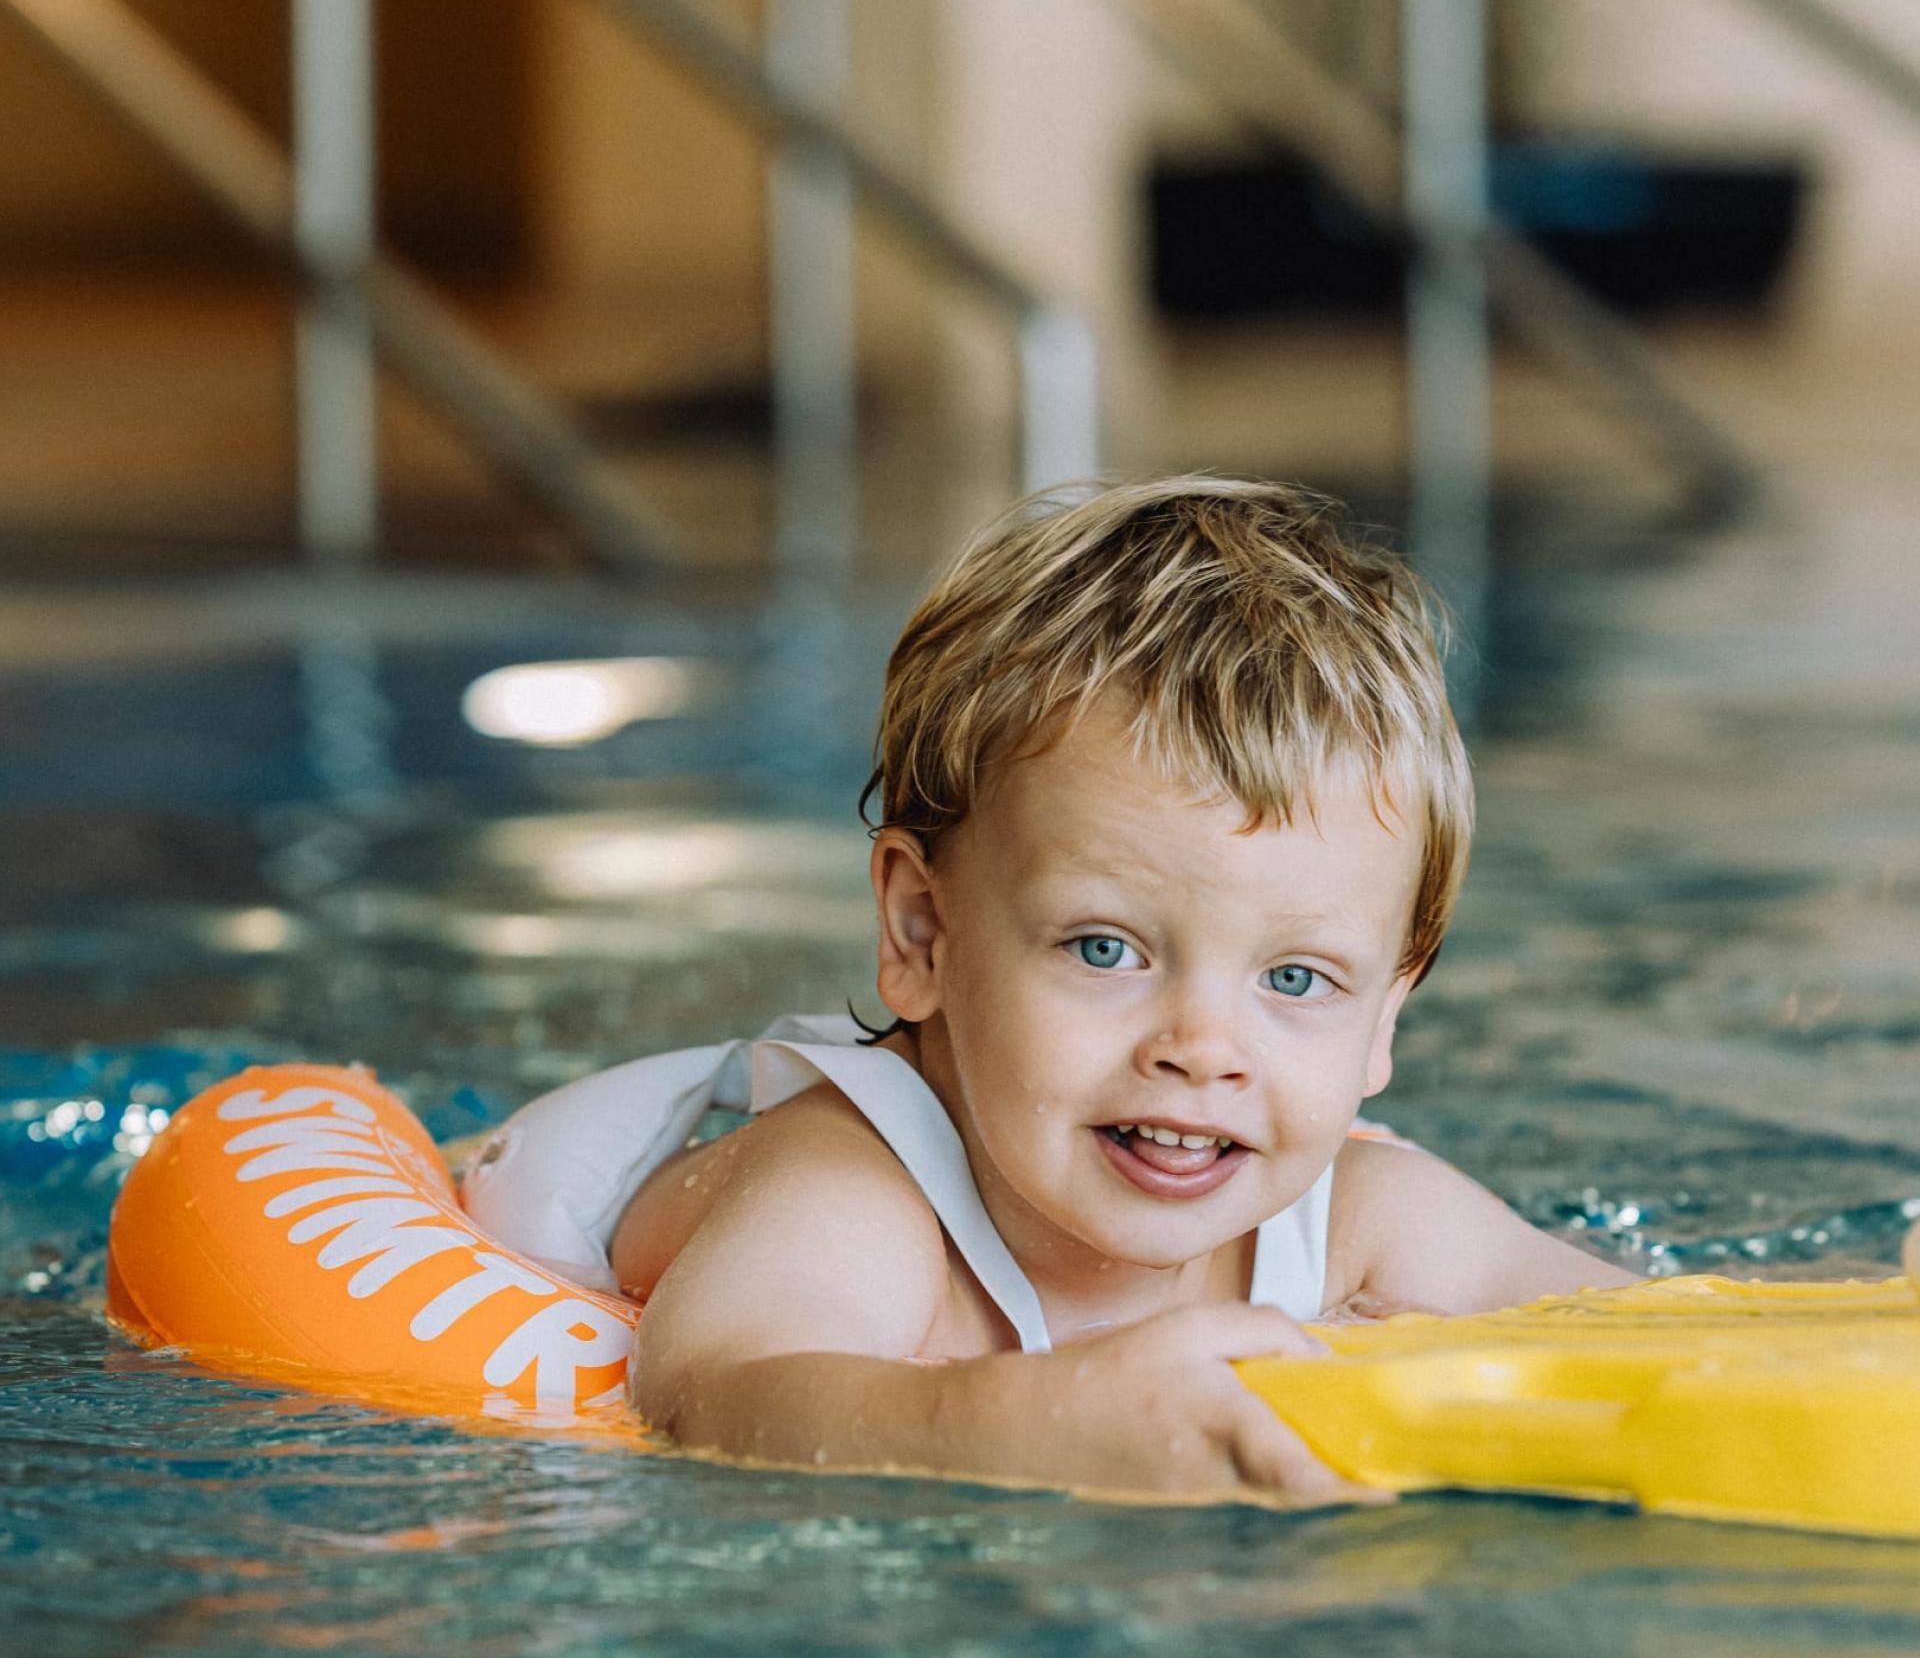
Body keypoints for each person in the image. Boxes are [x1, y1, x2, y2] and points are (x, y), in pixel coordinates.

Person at [461, 477, 1630, 1499]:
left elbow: (1663, 1329)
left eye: (1296, 976)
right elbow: (720, 1396)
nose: (1203, 1046)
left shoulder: (1369, 1220)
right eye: (1106, 948)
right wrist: (1027, 1421)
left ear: (1385, 1019)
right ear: (923, 930)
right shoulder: (853, 1192)